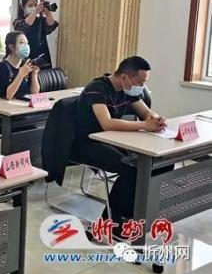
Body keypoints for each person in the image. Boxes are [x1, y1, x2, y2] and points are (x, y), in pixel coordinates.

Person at [73, 57, 171, 227]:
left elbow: (146, 112)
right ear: (125, 77)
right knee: (130, 166)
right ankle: (111, 221)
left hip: (113, 141)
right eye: (140, 82)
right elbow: (106, 123)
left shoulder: (129, 90)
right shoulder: (98, 88)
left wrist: (155, 119)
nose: (142, 87)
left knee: (159, 162)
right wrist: (144, 125)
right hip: (87, 143)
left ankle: (135, 211)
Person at [0, 31, 40, 101]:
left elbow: (35, 93)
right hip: (3, 105)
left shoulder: (25, 64)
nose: (26, 46)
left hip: (21, 104)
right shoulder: (2, 67)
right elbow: (8, 96)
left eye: (27, 43)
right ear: (11, 47)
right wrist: (21, 74)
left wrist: (34, 74)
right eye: (22, 43)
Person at [13, 0, 58, 68]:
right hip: (26, 57)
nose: (33, 7)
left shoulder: (40, 20)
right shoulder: (18, 21)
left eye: (35, 5)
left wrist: (48, 12)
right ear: (23, 7)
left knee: (44, 74)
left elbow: (52, 24)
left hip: (42, 58)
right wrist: (36, 12)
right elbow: (25, 25)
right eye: (30, 5)